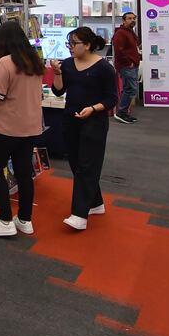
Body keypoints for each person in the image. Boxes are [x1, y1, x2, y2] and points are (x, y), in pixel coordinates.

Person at [0, 21, 44, 238]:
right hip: (30, 127)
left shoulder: (5, 63)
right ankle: (25, 219)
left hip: (7, 127)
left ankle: (5, 219)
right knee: (24, 172)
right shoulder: (34, 61)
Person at [50, 27, 118, 231]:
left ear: (87, 45)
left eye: (74, 43)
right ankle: (96, 203)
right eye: (69, 43)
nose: (70, 47)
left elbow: (112, 98)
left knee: (88, 164)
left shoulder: (104, 68)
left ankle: (79, 214)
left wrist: (93, 108)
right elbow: (58, 90)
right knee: (76, 163)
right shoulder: (69, 64)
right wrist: (57, 73)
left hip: (94, 121)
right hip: (70, 119)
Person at [112, 12, 141, 124]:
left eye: (134, 18)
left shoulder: (130, 32)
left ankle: (123, 112)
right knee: (130, 89)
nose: (132, 20)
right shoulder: (120, 33)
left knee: (128, 89)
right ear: (123, 21)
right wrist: (129, 63)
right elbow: (119, 51)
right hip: (127, 66)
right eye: (129, 18)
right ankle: (121, 113)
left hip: (132, 65)